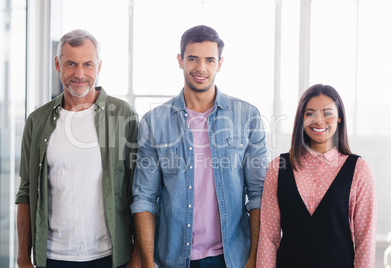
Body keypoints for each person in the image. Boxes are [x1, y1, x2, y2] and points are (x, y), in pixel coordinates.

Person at [130, 25, 268, 268]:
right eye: (193, 58)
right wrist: (149, 263)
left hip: (231, 258)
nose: (201, 68)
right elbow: (145, 198)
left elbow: (258, 195)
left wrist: (254, 258)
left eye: (209, 60)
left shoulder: (247, 117)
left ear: (220, 63)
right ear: (180, 60)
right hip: (172, 259)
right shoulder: (154, 122)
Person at [15, 29, 141, 268]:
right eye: (71, 63)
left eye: (88, 64)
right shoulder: (37, 121)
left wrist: (137, 256)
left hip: (111, 257)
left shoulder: (124, 115)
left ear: (99, 66)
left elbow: (141, 191)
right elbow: (26, 192)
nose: (79, 74)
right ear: (57, 64)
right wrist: (23, 257)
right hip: (53, 258)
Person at [256, 84, 377, 268]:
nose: (319, 120)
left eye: (327, 113)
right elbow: (268, 237)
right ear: (301, 119)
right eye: (310, 113)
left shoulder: (359, 169)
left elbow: (365, 242)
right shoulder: (278, 167)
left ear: (339, 118)